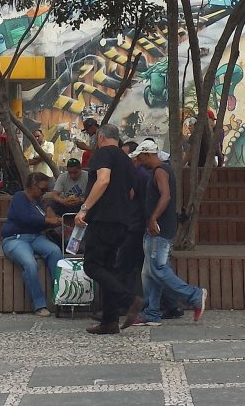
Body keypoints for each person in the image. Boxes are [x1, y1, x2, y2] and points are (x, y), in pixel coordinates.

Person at [131, 141, 205, 326]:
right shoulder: (161, 170)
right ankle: (151, 312)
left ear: (148, 154)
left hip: (159, 228)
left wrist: (154, 218)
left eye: (140, 158)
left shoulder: (160, 171)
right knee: (149, 273)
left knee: (158, 269)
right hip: (156, 228)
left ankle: (194, 295)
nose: (140, 162)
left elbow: (166, 196)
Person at [76, 123, 137, 335]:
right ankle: (110, 321)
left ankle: (130, 300)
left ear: (101, 137)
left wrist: (84, 209)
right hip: (122, 220)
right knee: (108, 269)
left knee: (92, 266)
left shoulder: (104, 154)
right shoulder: (126, 160)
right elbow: (131, 192)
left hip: (103, 218)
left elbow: (103, 180)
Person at [1, 171, 63, 317]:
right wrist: (48, 220)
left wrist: (54, 222)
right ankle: (39, 304)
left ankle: (61, 296)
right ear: (33, 186)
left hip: (35, 237)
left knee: (55, 251)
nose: (44, 192)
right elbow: (25, 218)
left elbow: (38, 222)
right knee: (30, 263)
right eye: (42, 189)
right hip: (15, 238)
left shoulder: (38, 202)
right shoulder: (19, 197)